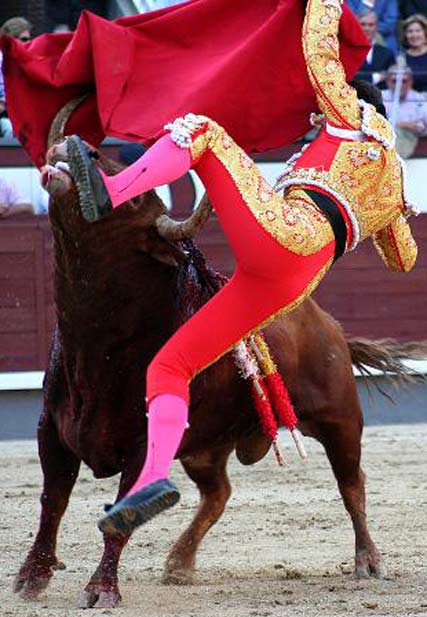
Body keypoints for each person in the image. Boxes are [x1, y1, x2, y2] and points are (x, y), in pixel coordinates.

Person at [61, 0, 419, 537]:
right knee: (169, 366)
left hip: (288, 237)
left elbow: (318, 50)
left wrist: (323, 3)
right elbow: (403, 261)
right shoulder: (391, 185)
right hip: (288, 284)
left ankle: (110, 192)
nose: (312, 123)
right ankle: (151, 481)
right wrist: (398, 211)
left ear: (354, 107)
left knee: (202, 131)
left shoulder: (348, 117)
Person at [382, 64, 427, 157]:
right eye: (395, 81)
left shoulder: (419, 99)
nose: (400, 85)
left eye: (404, 81)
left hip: (408, 138)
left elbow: (422, 127)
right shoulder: (380, 98)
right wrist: (404, 124)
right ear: (388, 82)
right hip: (385, 138)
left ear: (410, 82)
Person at [0, 17, 33, 138]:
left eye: (29, 39)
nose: (28, 42)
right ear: (10, 39)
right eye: (24, 39)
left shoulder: (24, 60)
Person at [356, 10, 395, 86]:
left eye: (371, 25)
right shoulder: (346, 52)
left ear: (376, 28)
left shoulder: (387, 53)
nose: (367, 28)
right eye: (363, 24)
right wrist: (376, 77)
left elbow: (391, 78)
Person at [402, 14, 427, 93]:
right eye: (410, 31)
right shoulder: (401, 58)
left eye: (418, 31)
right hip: (412, 101)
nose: (414, 35)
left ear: (425, 33)